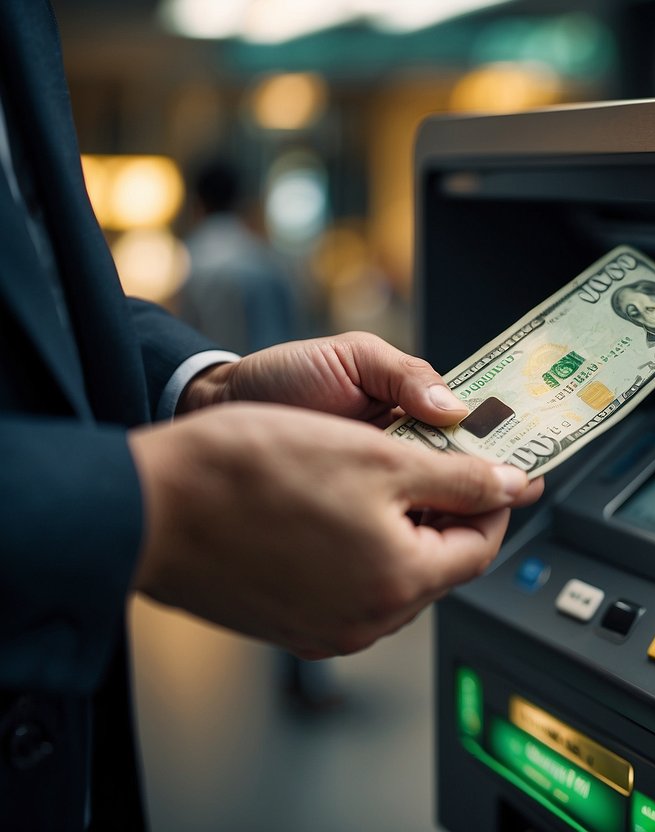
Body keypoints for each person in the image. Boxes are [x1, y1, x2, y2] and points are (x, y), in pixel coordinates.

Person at [0, 2, 542, 829]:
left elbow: (37, 307)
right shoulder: (252, 262)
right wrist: (154, 502)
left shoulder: (201, 257)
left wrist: (208, 389)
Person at [177, 157, 303, 354]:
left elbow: (184, 332)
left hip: (211, 370)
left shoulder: (190, 259)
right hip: (276, 372)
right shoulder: (266, 258)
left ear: (197, 201)